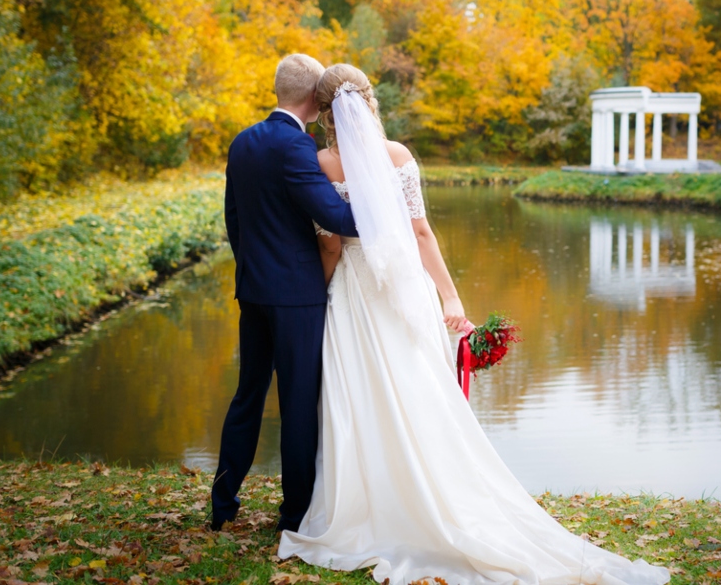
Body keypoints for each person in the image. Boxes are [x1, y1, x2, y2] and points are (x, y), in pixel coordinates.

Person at [276, 63, 671, 585]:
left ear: (324, 111)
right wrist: (450, 295)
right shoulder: (399, 156)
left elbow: (330, 243)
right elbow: (421, 234)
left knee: (360, 397)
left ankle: (370, 504)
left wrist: (324, 291)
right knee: (421, 393)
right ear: (369, 101)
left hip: (354, 293)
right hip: (404, 290)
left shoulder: (323, 162)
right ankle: (438, 491)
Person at [211, 54, 359, 533]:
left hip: (253, 291)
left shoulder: (243, 142)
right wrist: (389, 219)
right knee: (298, 404)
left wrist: (251, 271)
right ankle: (294, 515)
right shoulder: (295, 147)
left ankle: (223, 503)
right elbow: (334, 218)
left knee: (247, 396)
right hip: (297, 297)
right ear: (314, 97)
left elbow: (234, 220)